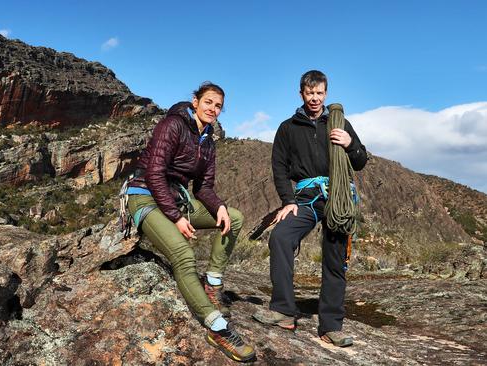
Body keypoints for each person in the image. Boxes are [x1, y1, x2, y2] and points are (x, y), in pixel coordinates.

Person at [126, 82, 255, 362]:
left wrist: (219, 207)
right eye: (208, 102)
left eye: (218, 106)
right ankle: (217, 328)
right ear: (195, 101)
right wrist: (175, 217)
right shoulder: (172, 125)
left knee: (234, 217)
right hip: (145, 197)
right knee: (183, 255)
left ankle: (212, 283)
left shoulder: (208, 143)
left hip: (179, 199)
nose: (213, 109)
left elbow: (203, 188)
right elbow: (154, 174)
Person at [261, 70, 367, 347]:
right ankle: (284, 311)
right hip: (305, 199)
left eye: (319, 93)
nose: (315, 98)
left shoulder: (340, 123)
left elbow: (360, 161)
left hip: (337, 199)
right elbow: (279, 169)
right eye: (310, 93)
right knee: (281, 238)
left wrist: (350, 143)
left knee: (334, 260)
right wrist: (288, 201)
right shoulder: (288, 128)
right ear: (301, 94)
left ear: (326, 93)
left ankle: (331, 326)